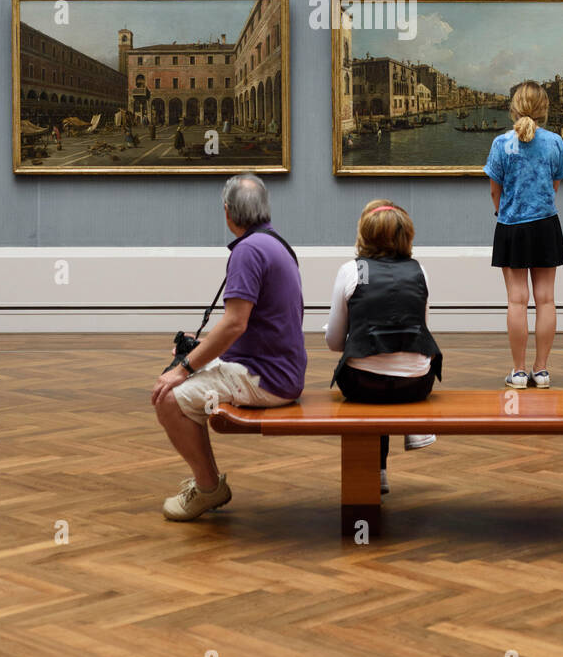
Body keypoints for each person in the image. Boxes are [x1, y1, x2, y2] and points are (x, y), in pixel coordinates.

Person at [152, 172, 307, 520]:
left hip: (265, 378)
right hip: (282, 369)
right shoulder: (276, 244)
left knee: (167, 397)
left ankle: (208, 488)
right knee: (177, 376)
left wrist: (183, 369)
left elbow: (235, 323)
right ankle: (207, 482)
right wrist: (190, 363)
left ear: (227, 212)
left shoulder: (248, 252)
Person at [325, 200, 442, 495]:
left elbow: (335, 343)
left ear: (365, 234)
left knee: (374, 382)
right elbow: (421, 333)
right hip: (415, 385)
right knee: (393, 378)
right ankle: (411, 433)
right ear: (406, 235)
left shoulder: (352, 271)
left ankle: (375, 471)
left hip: (363, 384)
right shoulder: (420, 271)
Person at [484, 80, 563, 389]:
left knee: (516, 301)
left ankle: (519, 372)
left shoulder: (500, 143)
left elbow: (495, 190)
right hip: (546, 225)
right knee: (546, 300)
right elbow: (555, 185)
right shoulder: (555, 142)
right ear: (544, 109)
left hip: (511, 226)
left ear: (514, 108)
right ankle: (542, 370)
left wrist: (502, 210)